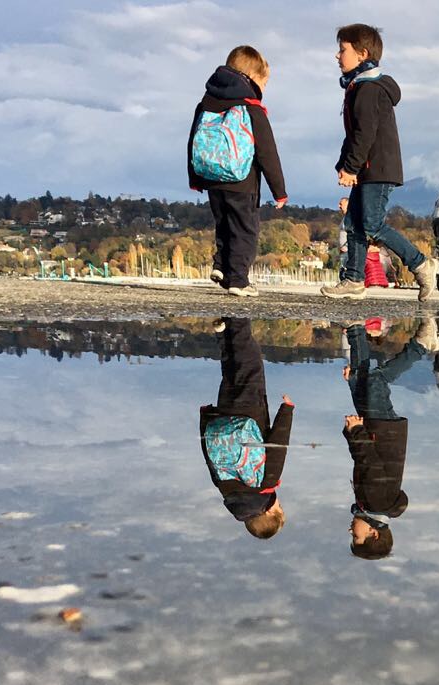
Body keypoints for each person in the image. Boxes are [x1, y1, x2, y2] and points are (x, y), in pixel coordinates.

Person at [321, 23, 438, 302]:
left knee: (371, 224)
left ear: (362, 54)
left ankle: (421, 264)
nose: (337, 56)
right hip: (367, 168)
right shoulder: (359, 87)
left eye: (342, 50)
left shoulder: (369, 89)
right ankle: (354, 279)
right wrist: (344, 164)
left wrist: (351, 167)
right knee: (353, 223)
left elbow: (365, 134)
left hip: (376, 168)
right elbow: (354, 134)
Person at [187, 45, 288, 298]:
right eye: (264, 84)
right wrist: (279, 191)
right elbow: (267, 151)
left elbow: (194, 140)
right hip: (242, 181)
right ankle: (239, 280)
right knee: (245, 229)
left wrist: (196, 177)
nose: (264, 91)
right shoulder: (251, 107)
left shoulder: (207, 103)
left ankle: (221, 266)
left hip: (212, 178)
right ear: (253, 78)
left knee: (223, 224)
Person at [200, 319, 294, 538]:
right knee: (231, 375)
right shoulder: (226, 490)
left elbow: (278, 445)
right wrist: (206, 417)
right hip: (223, 414)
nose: (279, 503)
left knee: (251, 364)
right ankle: (223, 335)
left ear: (270, 511)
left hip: (249, 413)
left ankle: (238, 318)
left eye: (279, 508)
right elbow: (208, 454)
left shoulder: (265, 485)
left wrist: (287, 410)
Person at [344, 319, 429, 557]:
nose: (351, 530)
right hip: (383, 431)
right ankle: (420, 347)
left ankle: (356, 330)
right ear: (374, 533)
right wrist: (356, 432)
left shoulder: (368, 504)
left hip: (373, 431)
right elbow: (370, 463)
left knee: (360, 380)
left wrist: (352, 431)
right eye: (355, 535)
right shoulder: (377, 502)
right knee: (375, 381)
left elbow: (361, 461)